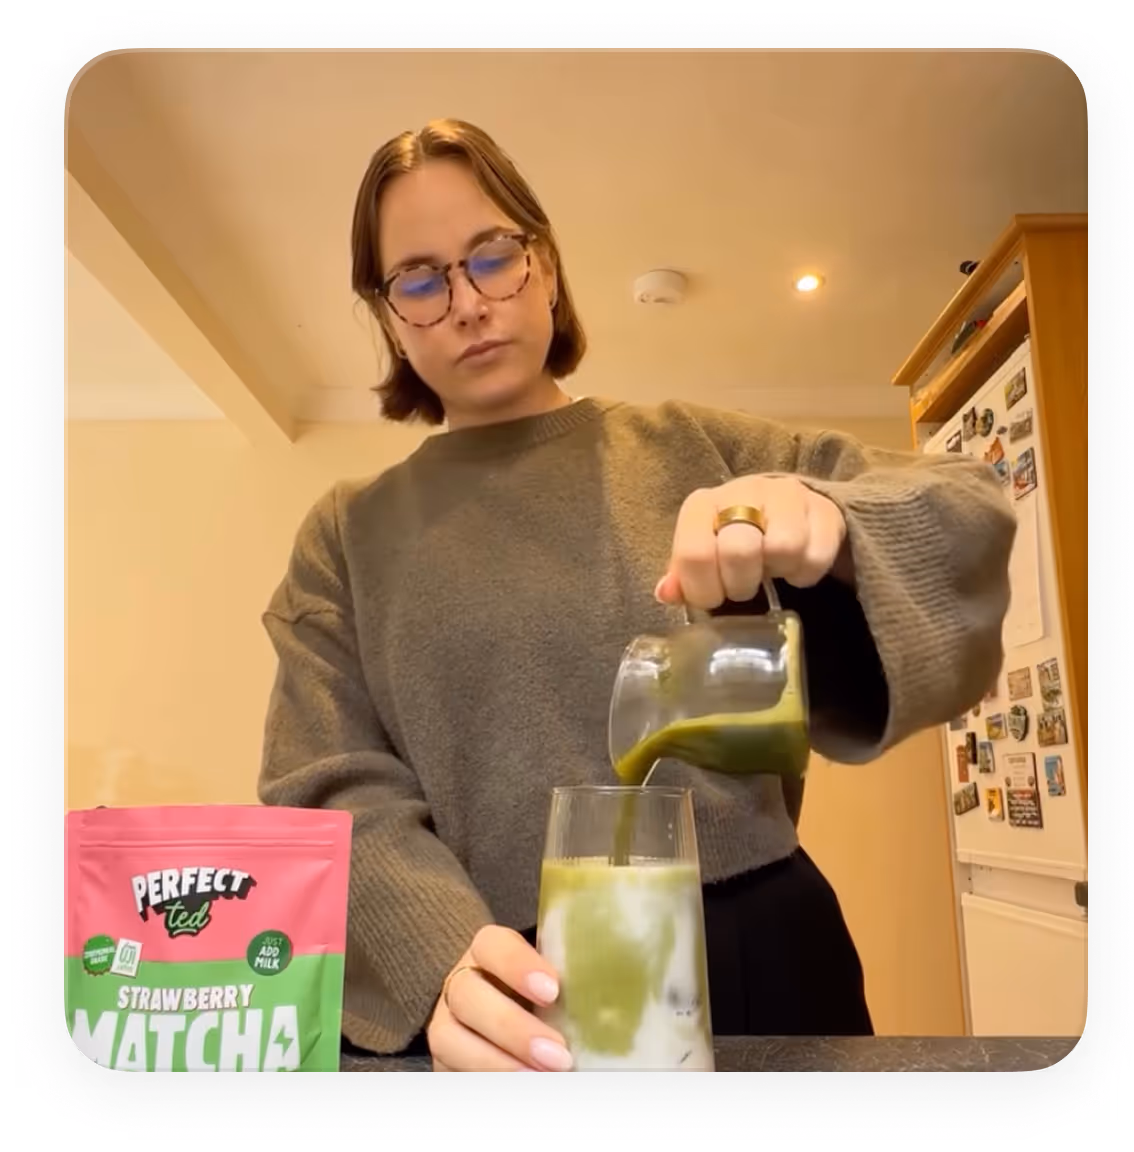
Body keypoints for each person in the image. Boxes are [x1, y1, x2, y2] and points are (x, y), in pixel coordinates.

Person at [257, 119, 1015, 1072]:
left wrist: (831, 519)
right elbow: (325, 785)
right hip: (498, 992)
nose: (467, 303)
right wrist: (437, 957)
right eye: (418, 279)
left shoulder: (697, 447)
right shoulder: (345, 534)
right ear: (388, 316)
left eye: (492, 256)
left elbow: (968, 504)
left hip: (761, 960)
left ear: (545, 265)